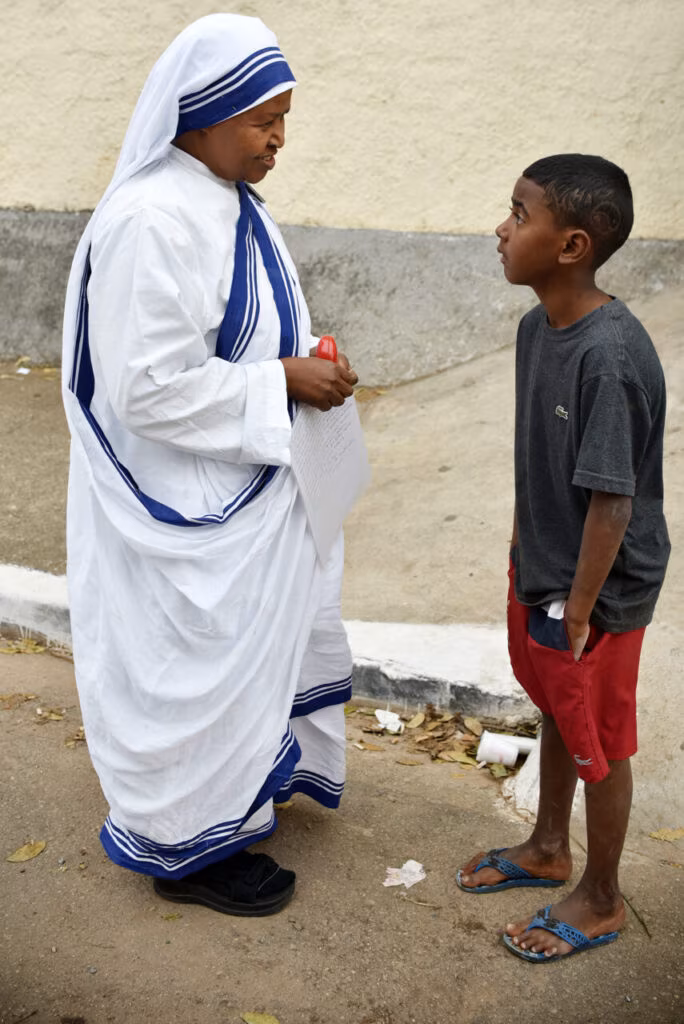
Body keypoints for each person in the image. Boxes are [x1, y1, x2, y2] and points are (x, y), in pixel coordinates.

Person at [61, 13, 359, 917]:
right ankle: (185, 850)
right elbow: (145, 388)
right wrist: (281, 381)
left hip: (249, 472)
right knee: (187, 673)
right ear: (205, 111)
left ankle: (233, 800)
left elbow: (251, 324)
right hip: (184, 501)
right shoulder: (151, 218)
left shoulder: (225, 198)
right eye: (262, 120)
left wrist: (309, 361)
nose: (277, 140)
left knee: (240, 671)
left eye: (284, 122)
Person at [456, 154, 670, 961]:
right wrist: (523, 545)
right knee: (557, 708)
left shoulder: (608, 357)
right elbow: (537, 457)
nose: (501, 228)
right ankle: (549, 846)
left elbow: (613, 503)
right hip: (547, 568)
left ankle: (603, 898)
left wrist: (579, 608)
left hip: (600, 591)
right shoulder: (533, 328)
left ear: (573, 244)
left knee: (601, 741)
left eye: (519, 213)